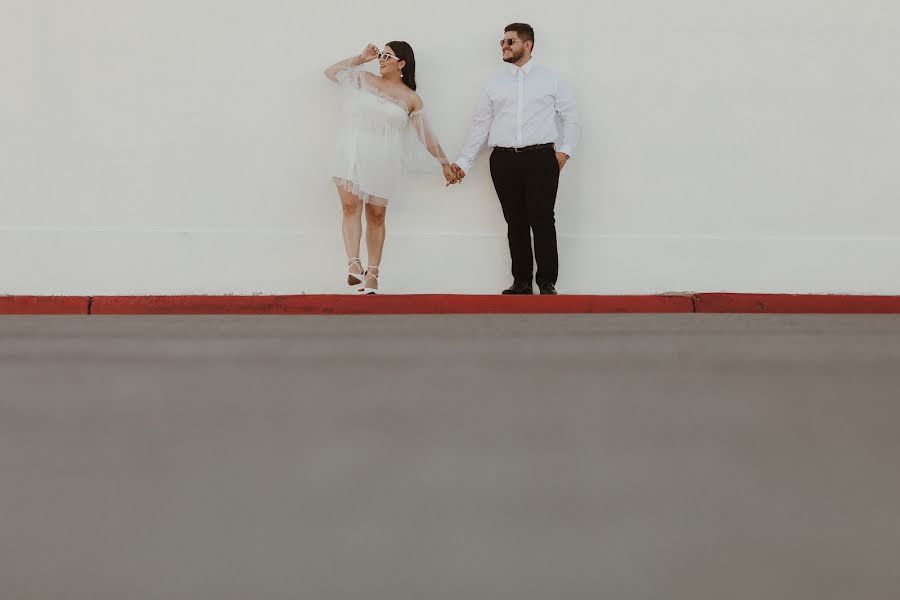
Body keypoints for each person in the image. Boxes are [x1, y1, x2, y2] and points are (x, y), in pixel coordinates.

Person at [451, 23, 580, 295]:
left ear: (527, 44)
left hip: (541, 158)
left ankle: (547, 282)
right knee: (515, 221)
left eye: (510, 41)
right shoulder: (494, 82)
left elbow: (570, 117)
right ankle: (521, 281)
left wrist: (565, 151)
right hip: (503, 160)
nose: (504, 45)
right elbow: (480, 125)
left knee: (543, 219)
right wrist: (464, 163)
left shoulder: (551, 78)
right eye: (502, 42)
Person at [325, 42, 458, 294]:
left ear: (402, 63)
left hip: (383, 159)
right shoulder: (363, 78)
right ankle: (354, 263)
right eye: (381, 55)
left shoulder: (410, 98)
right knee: (350, 207)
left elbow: (426, 137)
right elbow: (331, 73)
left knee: (376, 216)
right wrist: (360, 58)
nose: (381, 59)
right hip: (351, 152)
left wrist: (445, 163)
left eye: (387, 56)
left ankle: (373, 273)